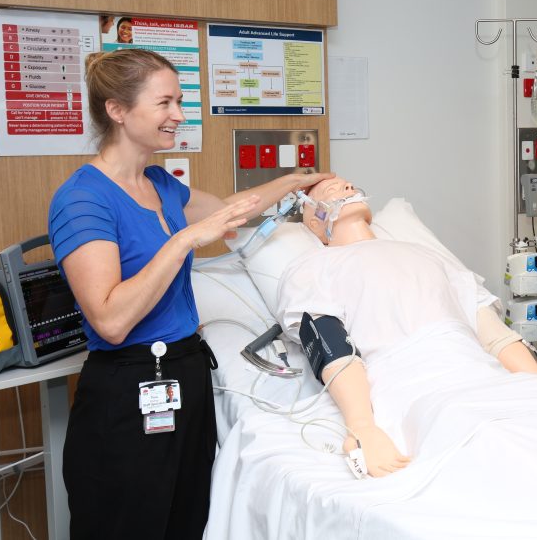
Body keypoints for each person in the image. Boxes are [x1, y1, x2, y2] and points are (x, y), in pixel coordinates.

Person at [48, 48, 331, 539]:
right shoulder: (82, 199)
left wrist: (298, 181)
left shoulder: (158, 182)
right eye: (164, 103)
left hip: (186, 377)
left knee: (187, 522)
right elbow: (110, 319)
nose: (178, 115)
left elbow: (229, 211)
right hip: (128, 389)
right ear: (117, 110)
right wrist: (182, 241)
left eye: (179, 101)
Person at [276, 177, 537, 477]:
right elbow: (334, 351)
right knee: (496, 456)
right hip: (414, 384)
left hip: (483, 374)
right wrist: (362, 426)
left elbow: (495, 336)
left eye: (350, 185)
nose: (348, 189)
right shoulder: (313, 267)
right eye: (333, 190)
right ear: (315, 221)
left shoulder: (428, 255)